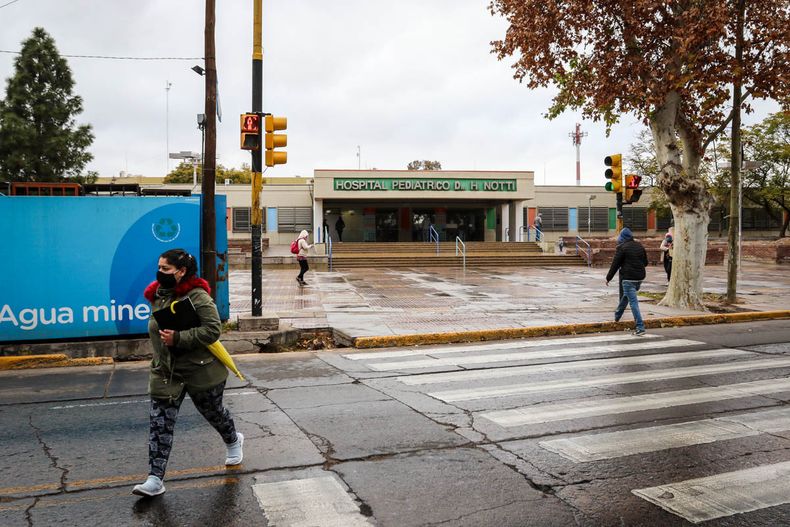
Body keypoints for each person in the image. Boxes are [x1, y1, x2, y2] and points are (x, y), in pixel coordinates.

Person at [133, 249, 243, 498]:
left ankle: (233, 440)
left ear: (181, 271)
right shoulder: (158, 295)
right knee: (159, 425)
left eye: (165, 269)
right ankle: (154, 479)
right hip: (166, 373)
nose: (159, 272)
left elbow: (213, 330)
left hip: (200, 371)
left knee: (214, 413)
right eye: (159, 267)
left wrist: (179, 338)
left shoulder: (197, 296)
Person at [606, 227, 648, 336]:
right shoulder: (639, 246)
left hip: (628, 278)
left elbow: (615, 264)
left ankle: (640, 327)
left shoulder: (621, 248)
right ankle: (617, 316)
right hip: (639, 278)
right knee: (626, 296)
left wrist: (608, 278)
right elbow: (645, 262)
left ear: (622, 237)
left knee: (633, 303)